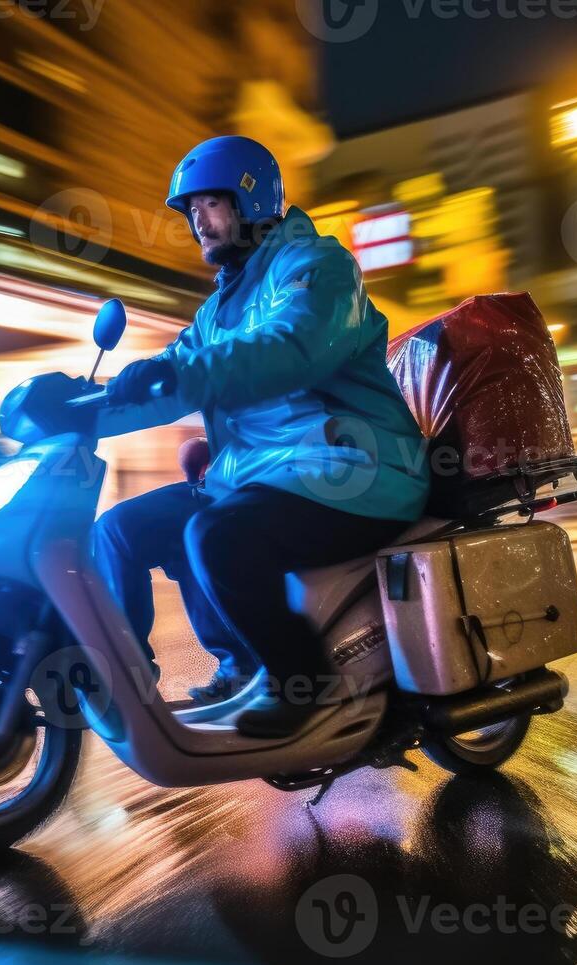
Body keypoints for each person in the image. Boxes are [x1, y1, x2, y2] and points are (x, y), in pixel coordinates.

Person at [90, 135, 429, 738]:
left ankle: (306, 684)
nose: (198, 221)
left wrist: (178, 371)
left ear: (252, 199)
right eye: (190, 210)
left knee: (217, 535)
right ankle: (133, 688)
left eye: (209, 204)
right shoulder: (220, 309)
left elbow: (290, 351)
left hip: (355, 470)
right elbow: (173, 382)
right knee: (119, 530)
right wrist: (80, 408)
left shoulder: (318, 267)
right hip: (265, 474)